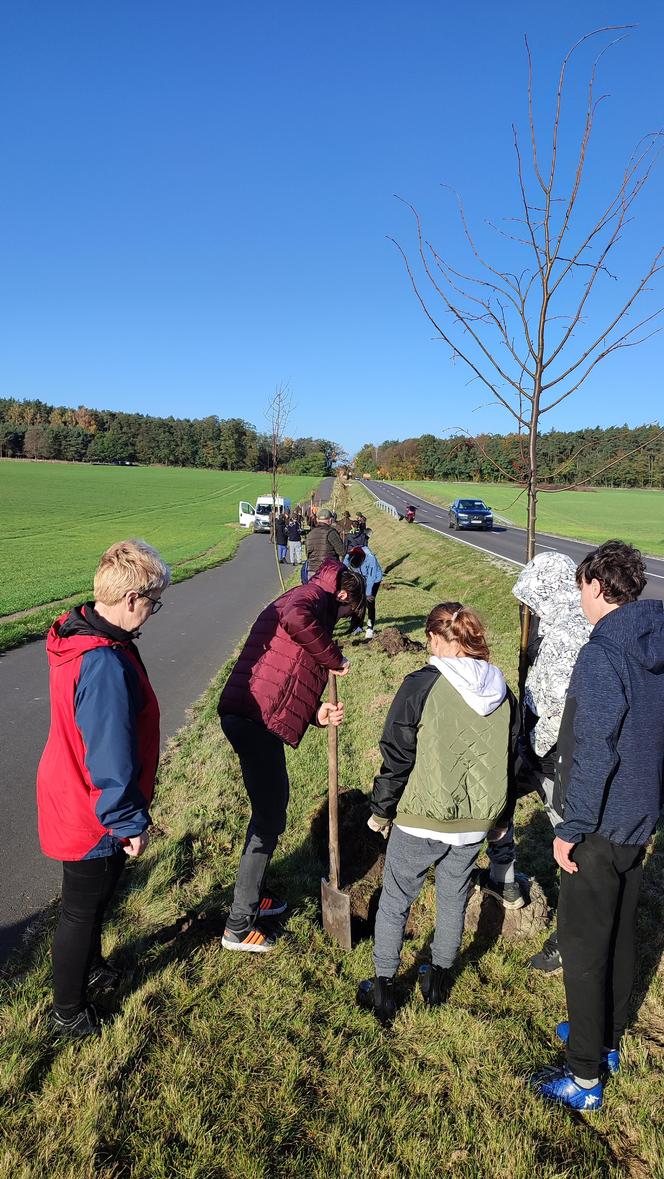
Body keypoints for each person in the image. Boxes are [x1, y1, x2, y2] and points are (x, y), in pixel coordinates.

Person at [531, 541, 663, 1111]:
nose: (578, 600)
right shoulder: (653, 643)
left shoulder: (603, 653)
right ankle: (603, 1038)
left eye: (581, 589)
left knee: (583, 945)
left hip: (601, 823)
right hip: (639, 818)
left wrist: (572, 826)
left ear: (595, 587)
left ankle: (584, 1076)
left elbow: (593, 751)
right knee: (619, 933)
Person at [357, 603, 518, 1025]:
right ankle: (438, 980)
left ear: (436, 638)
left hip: (421, 817)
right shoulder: (503, 690)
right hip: (475, 823)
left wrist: (381, 811)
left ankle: (383, 989)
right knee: (453, 898)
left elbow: (396, 754)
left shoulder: (422, 684)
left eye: (429, 640)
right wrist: (501, 819)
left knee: (395, 901)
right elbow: (510, 760)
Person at [37, 540, 170, 1038]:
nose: (152, 613)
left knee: (93, 901)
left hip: (71, 787)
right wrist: (127, 822)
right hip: (90, 806)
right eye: (152, 603)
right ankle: (67, 1012)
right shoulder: (103, 663)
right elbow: (110, 754)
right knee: (80, 909)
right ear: (131, 598)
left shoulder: (80, 635)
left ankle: (91, 969)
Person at [218, 558, 366, 951]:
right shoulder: (310, 598)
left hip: (257, 716)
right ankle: (237, 925)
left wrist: (316, 715)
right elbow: (295, 620)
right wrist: (334, 657)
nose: (340, 619)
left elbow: (285, 678)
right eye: (348, 612)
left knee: (273, 807)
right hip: (252, 720)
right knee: (268, 819)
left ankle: (255, 895)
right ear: (345, 594)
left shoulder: (311, 592)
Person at [479, 553, 591, 953]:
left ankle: (572, 936)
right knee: (499, 797)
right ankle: (504, 878)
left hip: (559, 758)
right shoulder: (553, 619)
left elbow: (558, 706)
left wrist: (530, 745)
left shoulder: (570, 629)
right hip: (538, 748)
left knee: (573, 843)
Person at [344, 543, 383, 639]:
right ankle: (358, 626)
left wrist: (368, 594)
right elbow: (343, 569)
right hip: (359, 578)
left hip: (374, 579)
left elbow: (371, 578)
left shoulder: (370, 558)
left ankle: (370, 628)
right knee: (357, 601)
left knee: (369, 601)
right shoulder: (348, 556)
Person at [305, 507, 345, 575]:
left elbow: (307, 554)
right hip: (328, 570)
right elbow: (342, 551)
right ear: (330, 520)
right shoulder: (331, 533)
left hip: (312, 570)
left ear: (317, 520)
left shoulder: (310, 534)